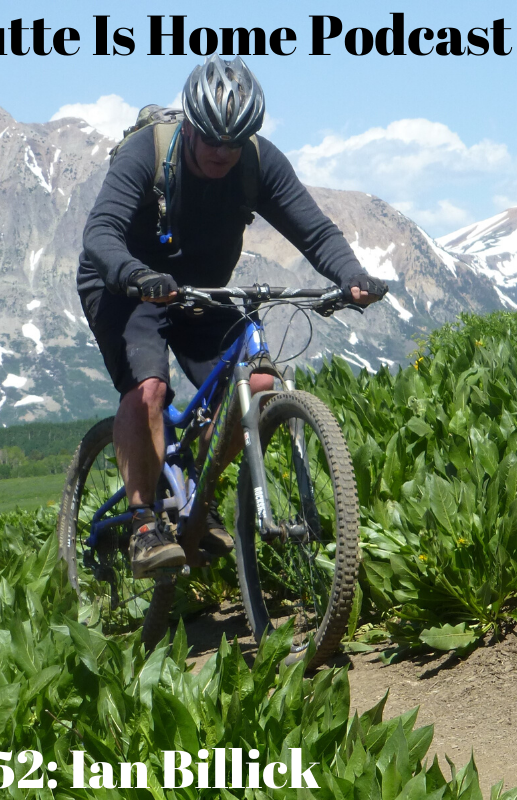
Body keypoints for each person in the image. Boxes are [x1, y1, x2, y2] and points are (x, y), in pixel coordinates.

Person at [77, 55, 387, 578]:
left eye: (234, 141)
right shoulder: (144, 154)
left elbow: (314, 231)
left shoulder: (258, 163)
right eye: (212, 140)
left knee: (258, 381)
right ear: (191, 126)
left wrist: (351, 275)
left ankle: (201, 500)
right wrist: (136, 274)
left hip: (203, 293)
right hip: (125, 288)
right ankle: (143, 523)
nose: (222, 152)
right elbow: (100, 234)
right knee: (148, 389)